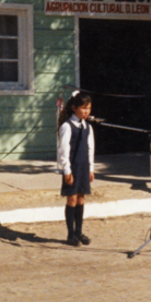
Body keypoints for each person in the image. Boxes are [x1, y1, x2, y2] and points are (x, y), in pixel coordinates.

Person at [57, 91, 95, 246]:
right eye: (83, 108)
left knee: (80, 197)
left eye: (89, 108)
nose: (86, 112)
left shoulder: (88, 127)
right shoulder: (67, 126)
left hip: (84, 167)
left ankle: (79, 232)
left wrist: (91, 168)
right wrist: (66, 170)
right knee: (71, 198)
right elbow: (63, 150)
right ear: (74, 108)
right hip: (72, 168)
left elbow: (90, 148)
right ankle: (70, 234)